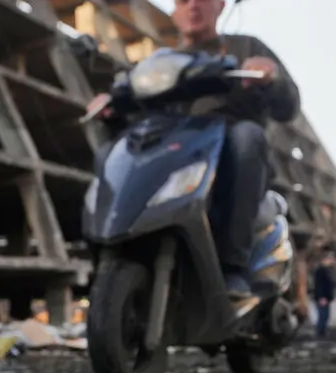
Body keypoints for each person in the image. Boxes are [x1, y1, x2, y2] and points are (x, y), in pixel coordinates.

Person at [86, 0, 301, 302]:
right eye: (183, 1)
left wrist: (271, 76)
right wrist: (112, 108)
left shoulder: (245, 47)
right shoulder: (161, 62)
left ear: (220, 5)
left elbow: (289, 106)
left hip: (224, 153)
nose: (193, 6)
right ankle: (108, 255)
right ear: (175, 11)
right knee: (111, 153)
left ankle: (233, 266)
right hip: (175, 154)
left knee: (247, 137)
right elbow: (138, 110)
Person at [312, 250, 336, 338]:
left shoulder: (329, 270)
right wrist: (321, 297)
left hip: (327, 297)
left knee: (326, 315)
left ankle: (323, 331)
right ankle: (320, 332)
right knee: (322, 315)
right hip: (322, 297)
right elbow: (319, 285)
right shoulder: (321, 271)